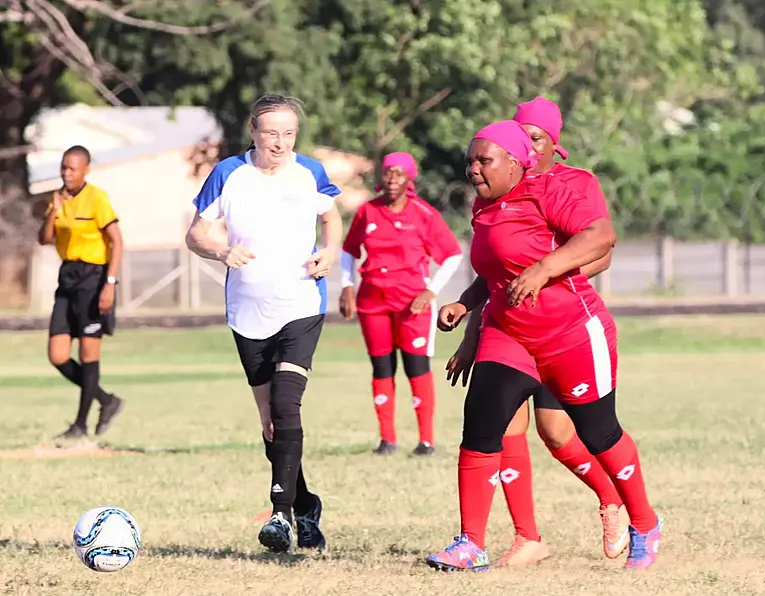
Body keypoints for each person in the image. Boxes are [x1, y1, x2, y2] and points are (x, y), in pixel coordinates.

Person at [426, 120, 661, 572]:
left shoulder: (547, 192)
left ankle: (645, 523)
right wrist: (465, 302)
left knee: (599, 434)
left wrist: (543, 270)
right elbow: (496, 270)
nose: (474, 169)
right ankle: (470, 544)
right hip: (508, 333)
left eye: (484, 161)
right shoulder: (482, 206)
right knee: (481, 424)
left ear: (515, 163)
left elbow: (600, 236)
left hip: (570, 333)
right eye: (471, 161)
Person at [185, 93, 343, 554]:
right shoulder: (228, 173)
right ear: (253, 132)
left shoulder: (309, 171)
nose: (280, 142)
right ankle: (306, 503)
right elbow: (195, 233)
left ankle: (279, 511)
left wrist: (330, 252)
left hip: (300, 304)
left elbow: (330, 218)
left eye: (289, 133)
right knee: (270, 421)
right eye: (271, 132)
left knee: (287, 404)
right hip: (247, 313)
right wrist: (220, 250)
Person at [339, 152, 463, 456]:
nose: (392, 180)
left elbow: (453, 255)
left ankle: (426, 441)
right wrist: (346, 286)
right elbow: (349, 250)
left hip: (412, 303)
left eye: (399, 174)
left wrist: (431, 291)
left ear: (410, 179)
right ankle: (387, 439)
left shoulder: (423, 214)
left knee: (416, 367)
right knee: (382, 367)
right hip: (373, 300)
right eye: (387, 173)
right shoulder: (368, 211)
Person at [38, 145, 125, 440]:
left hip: (94, 278)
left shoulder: (97, 199)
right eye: (63, 167)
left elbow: (117, 242)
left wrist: (110, 284)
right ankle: (106, 399)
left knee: (89, 354)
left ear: (86, 170)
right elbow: (44, 239)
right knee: (58, 354)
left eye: (72, 168)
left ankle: (80, 424)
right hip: (68, 277)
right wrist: (54, 212)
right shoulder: (58, 199)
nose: (66, 173)